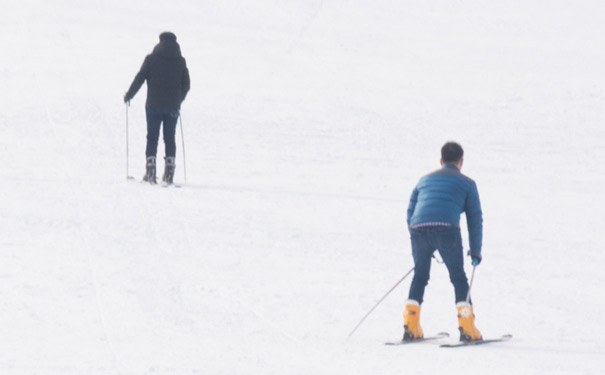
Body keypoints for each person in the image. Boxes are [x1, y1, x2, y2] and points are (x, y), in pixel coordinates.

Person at [403, 142, 483, 342]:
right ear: (461, 162)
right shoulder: (468, 183)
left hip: (418, 229)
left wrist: (418, 240)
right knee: (458, 279)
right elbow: (475, 219)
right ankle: (467, 328)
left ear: (441, 161)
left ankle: (411, 326)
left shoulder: (423, 180)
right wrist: (475, 251)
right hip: (447, 230)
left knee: (420, 276)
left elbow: (410, 212)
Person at [124, 32, 190, 184]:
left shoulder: (151, 59)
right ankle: (170, 172)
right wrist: (178, 99)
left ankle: (150, 170)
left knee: (152, 137)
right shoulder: (180, 62)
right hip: (173, 106)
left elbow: (140, 78)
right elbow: (187, 84)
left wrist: (129, 95)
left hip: (153, 105)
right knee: (170, 137)